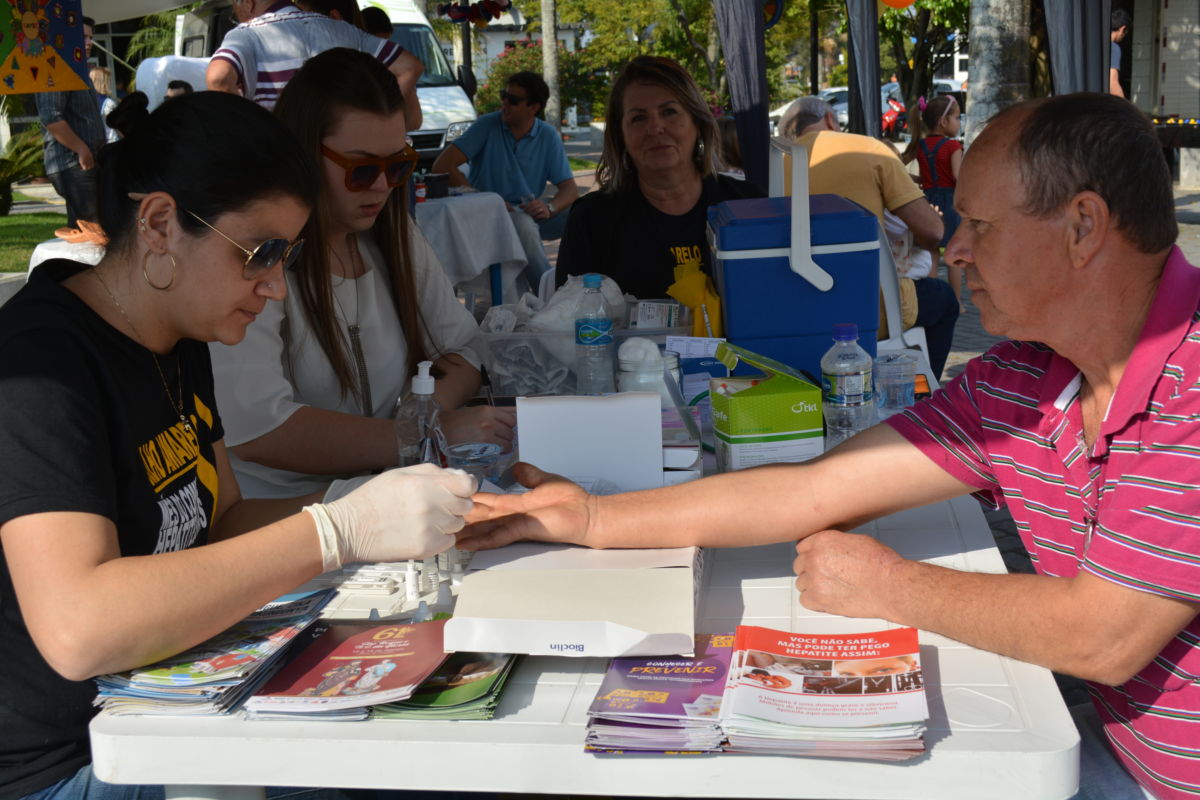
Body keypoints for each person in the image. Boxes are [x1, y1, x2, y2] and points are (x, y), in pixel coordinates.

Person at [461, 92, 1198, 800]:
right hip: (1124, 756)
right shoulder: (1024, 375)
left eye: (980, 224)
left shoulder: (1189, 379)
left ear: (1082, 226)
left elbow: (1103, 637)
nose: (956, 250)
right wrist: (592, 519)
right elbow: (814, 488)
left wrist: (887, 583)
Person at [0, 90, 474, 800]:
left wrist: (378, 509)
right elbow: (79, 627)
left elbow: (221, 520)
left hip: (181, 698)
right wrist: (339, 530)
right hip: (81, 758)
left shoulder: (177, 336)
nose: (276, 287)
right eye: (260, 253)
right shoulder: (39, 365)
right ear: (159, 223)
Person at [210, 48, 514, 500]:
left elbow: (465, 347)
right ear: (303, 153)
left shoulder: (393, 236)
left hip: (393, 490)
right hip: (288, 514)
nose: (382, 186)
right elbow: (257, 427)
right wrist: (417, 432)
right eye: (362, 168)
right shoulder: (255, 253)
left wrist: (422, 412)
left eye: (398, 166)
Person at [554, 56, 762, 300]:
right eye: (638, 118)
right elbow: (566, 323)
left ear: (697, 122)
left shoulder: (748, 205)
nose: (655, 128)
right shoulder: (591, 219)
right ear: (621, 136)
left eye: (669, 112)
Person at [785, 96, 959, 379]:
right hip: (872, 310)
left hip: (798, 309)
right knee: (944, 300)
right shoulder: (869, 149)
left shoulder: (780, 160)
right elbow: (933, 232)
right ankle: (923, 397)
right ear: (830, 119)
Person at [431, 71, 579, 292]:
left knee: (585, 215)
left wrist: (548, 208)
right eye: (504, 96)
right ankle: (552, 294)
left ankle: (586, 283)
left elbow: (569, 189)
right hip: (486, 214)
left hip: (527, 210)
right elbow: (441, 165)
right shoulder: (487, 125)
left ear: (533, 108)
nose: (504, 104)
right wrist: (486, 199)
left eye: (513, 100)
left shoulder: (547, 136)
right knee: (524, 226)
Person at [206, 0, 423, 129]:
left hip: (284, 167)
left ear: (248, 3)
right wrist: (377, 121)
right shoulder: (343, 30)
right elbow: (410, 67)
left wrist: (252, 133)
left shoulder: (246, 35)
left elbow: (219, 78)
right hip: (341, 168)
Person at [34, 15, 105, 228]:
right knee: (93, 231)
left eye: (90, 37)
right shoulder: (55, 68)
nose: (88, 42)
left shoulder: (78, 69)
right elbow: (51, 117)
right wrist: (82, 150)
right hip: (71, 162)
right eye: (82, 37)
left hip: (83, 162)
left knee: (85, 231)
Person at [901, 93, 965, 308]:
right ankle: (955, 301)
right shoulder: (953, 147)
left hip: (927, 201)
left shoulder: (921, 146)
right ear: (943, 121)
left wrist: (919, 180)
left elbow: (899, 167)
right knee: (954, 256)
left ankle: (932, 301)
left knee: (931, 253)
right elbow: (957, 176)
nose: (959, 122)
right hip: (949, 201)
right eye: (957, 118)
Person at [89, 66, 119, 144]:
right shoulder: (108, 103)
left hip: (94, 143)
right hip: (110, 142)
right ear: (104, 82)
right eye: (108, 80)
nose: (109, 82)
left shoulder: (86, 100)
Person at [1110, 7, 1131, 98]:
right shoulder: (1113, 48)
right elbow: (1112, 83)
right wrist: (1125, 109)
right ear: (1122, 29)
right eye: (1125, 33)